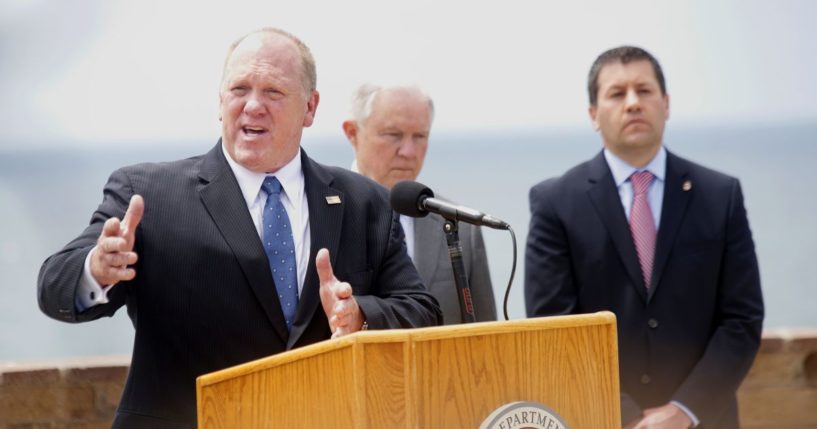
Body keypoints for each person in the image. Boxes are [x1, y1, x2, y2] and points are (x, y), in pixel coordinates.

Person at [37, 28, 442, 429]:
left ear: (310, 108)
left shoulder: (363, 202)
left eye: (273, 92)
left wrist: (360, 316)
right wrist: (98, 268)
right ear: (219, 101)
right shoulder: (149, 196)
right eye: (239, 89)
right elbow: (55, 285)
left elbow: (423, 312)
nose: (253, 106)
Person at [524, 46, 763, 429]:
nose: (633, 103)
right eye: (617, 93)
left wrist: (683, 411)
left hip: (703, 420)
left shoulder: (721, 195)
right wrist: (627, 417)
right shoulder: (555, 203)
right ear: (593, 115)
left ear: (665, 104)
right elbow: (553, 328)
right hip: (600, 418)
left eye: (644, 90)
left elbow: (742, 319)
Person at [342, 83, 497, 324]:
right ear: (352, 132)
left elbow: (487, 340)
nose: (408, 151)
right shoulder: (323, 214)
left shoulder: (460, 225)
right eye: (393, 135)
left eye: (420, 136)